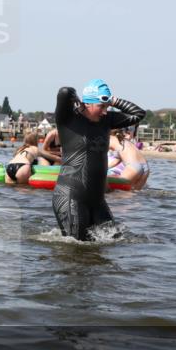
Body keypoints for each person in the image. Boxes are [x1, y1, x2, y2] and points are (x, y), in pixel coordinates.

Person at [52, 79, 145, 240]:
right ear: (87, 103)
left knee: (115, 240)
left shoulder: (107, 120)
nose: (105, 111)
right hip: (70, 198)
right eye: (101, 106)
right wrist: (79, 101)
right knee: (75, 248)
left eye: (107, 107)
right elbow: (65, 92)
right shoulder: (68, 120)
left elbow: (139, 114)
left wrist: (113, 100)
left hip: (97, 201)